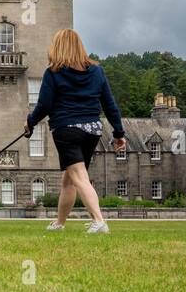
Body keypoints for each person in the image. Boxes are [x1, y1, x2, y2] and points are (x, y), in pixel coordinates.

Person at [26, 28, 125, 235]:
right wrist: (118, 133)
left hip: (66, 128)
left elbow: (44, 105)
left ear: (57, 48)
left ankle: (99, 221)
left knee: (79, 176)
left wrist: (30, 123)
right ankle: (60, 223)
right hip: (92, 130)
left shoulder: (53, 72)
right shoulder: (97, 71)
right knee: (69, 179)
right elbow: (109, 105)